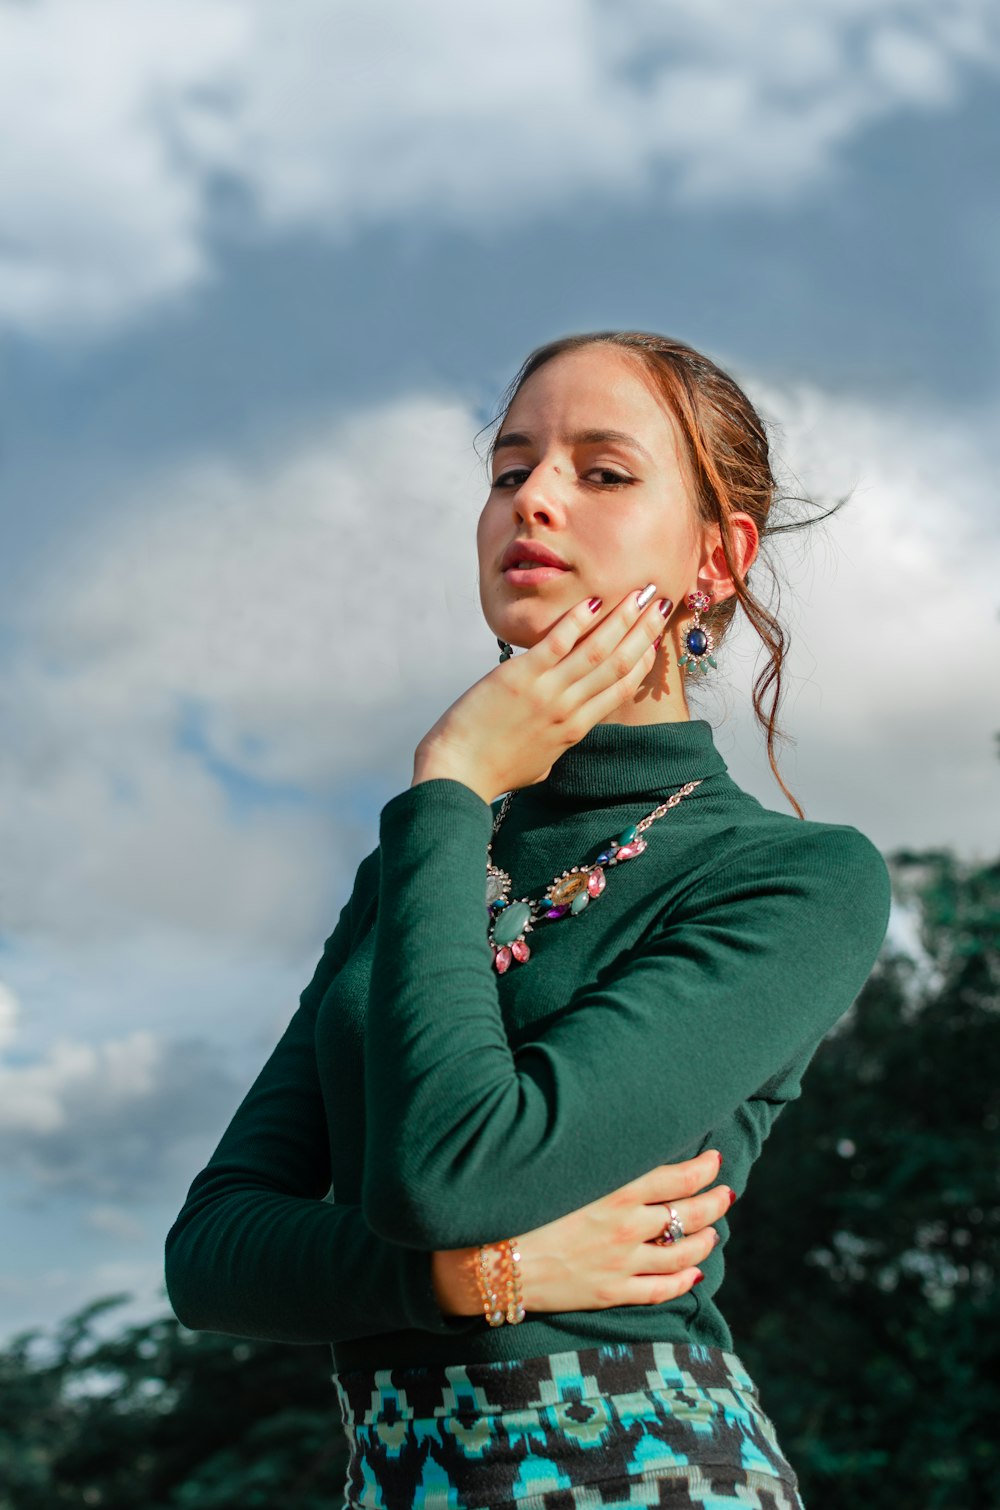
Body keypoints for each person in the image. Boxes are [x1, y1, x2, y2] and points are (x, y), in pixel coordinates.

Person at [164, 331, 891, 1509]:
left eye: (602, 473)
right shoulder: (424, 862)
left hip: (644, 1467)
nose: (534, 499)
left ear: (717, 557)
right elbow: (210, 1257)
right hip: (397, 1474)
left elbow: (452, 1171)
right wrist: (478, 1278)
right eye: (509, 470)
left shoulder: (795, 879)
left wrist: (453, 772)